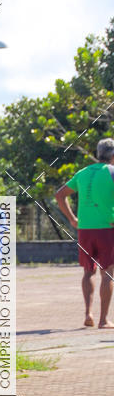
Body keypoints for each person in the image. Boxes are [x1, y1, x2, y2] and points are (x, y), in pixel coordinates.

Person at [55, 138, 114, 329]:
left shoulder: (83, 173)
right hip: (107, 229)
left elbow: (60, 195)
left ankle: (88, 313)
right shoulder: (112, 172)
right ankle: (103, 320)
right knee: (108, 273)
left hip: (85, 230)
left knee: (88, 272)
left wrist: (72, 219)